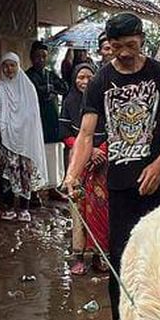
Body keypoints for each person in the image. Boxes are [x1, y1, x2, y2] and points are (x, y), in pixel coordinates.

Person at [64, 12, 160, 320]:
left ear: (142, 39)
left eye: (130, 45)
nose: (124, 53)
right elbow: (86, 133)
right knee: (122, 254)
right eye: (116, 47)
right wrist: (73, 174)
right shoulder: (102, 80)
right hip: (119, 182)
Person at [61, 62, 109, 275]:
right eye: (80, 77)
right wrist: (88, 151)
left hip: (103, 161)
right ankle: (78, 256)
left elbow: (114, 131)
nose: (85, 81)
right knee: (78, 206)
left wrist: (102, 151)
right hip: (78, 160)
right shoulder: (69, 101)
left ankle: (101, 256)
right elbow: (64, 133)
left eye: (89, 77)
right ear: (74, 79)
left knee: (100, 207)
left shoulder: (104, 100)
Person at [0, 52, 49, 221]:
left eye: (12, 65)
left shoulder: (28, 88)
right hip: (5, 139)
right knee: (8, 172)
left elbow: (33, 115)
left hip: (25, 138)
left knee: (25, 171)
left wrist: (22, 126)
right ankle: (9, 207)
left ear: (18, 66)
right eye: (6, 65)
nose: (9, 69)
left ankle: (24, 208)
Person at [27, 40, 68, 191]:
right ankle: (36, 191)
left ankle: (53, 188)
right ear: (31, 57)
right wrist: (48, 90)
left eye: (44, 56)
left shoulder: (50, 75)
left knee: (53, 156)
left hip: (52, 121)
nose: (41, 60)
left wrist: (52, 89)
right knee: (37, 157)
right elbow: (36, 93)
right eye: (38, 56)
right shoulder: (27, 76)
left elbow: (64, 87)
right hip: (36, 123)